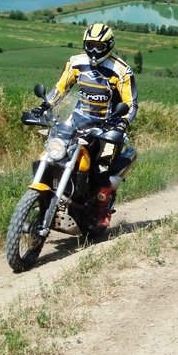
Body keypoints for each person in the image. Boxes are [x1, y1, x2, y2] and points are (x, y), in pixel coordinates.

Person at [35, 22, 138, 228]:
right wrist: (45, 105)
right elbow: (61, 88)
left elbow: (131, 104)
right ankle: (45, 199)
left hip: (107, 125)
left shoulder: (121, 71)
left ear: (109, 46)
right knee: (51, 155)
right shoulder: (76, 63)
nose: (93, 50)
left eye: (99, 46)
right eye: (90, 45)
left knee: (101, 170)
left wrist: (121, 123)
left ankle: (101, 210)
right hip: (77, 121)